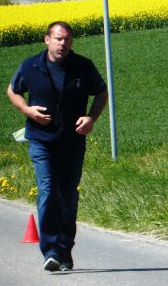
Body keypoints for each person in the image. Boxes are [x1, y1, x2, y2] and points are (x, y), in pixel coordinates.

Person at [7, 21, 108, 272]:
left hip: (72, 141)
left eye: (67, 40)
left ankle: (65, 250)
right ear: (47, 40)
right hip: (41, 140)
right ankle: (50, 250)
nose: (63, 44)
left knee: (68, 195)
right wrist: (27, 110)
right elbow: (13, 90)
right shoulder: (31, 66)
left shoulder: (82, 66)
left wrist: (91, 118)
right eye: (58, 39)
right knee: (48, 190)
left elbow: (102, 93)